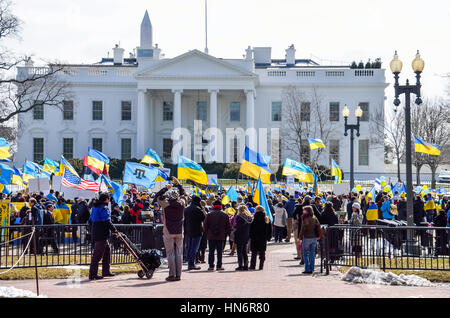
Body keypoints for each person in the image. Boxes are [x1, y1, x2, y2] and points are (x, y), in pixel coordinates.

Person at [154, 177, 187, 282]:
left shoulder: (165, 204)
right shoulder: (182, 203)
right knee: (179, 253)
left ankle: (172, 274)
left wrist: (166, 188)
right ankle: (178, 275)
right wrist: (178, 184)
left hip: (168, 229)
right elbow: (184, 194)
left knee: (170, 253)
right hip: (179, 230)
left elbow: (157, 196)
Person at [88, 193, 117, 280]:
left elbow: (90, 220)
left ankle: (106, 271)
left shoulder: (94, 207)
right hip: (101, 233)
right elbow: (106, 221)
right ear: (106, 199)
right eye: (109, 199)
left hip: (96, 231)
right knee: (98, 254)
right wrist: (114, 229)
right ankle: (93, 274)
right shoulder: (103, 208)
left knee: (107, 251)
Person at [203, 200, 231, 271]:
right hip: (221, 236)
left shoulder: (209, 214)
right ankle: (219, 266)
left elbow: (205, 226)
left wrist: (206, 234)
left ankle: (211, 266)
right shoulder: (225, 214)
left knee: (211, 251)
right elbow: (228, 226)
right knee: (219, 252)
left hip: (211, 235)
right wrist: (227, 234)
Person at [184, 195, 206, 270]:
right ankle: (191, 264)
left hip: (188, 230)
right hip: (197, 231)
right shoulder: (198, 209)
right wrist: (203, 209)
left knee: (189, 248)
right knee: (194, 248)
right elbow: (204, 218)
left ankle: (190, 263)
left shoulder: (186, 209)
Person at [298, 206, 322, 274]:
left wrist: (300, 238)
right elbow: (318, 226)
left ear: (307, 211)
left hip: (307, 238)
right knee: (312, 254)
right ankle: (312, 268)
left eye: (304, 210)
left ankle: (307, 268)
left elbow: (303, 229)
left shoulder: (305, 218)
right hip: (314, 238)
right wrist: (319, 235)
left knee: (305, 254)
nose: (303, 211)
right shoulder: (314, 217)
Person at [249, 205, 272, 270]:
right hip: (263, 238)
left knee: (254, 253)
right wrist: (269, 237)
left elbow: (251, 228)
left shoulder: (254, 218)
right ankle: (261, 266)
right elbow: (269, 229)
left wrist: (250, 236)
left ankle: (252, 266)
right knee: (262, 253)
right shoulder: (267, 218)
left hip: (255, 238)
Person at [234, 205, 254, 271]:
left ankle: (240, 265)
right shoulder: (249, 218)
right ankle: (246, 265)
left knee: (239, 251)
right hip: (246, 235)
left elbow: (238, 227)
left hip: (239, 235)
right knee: (244, 251)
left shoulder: (239, 217)